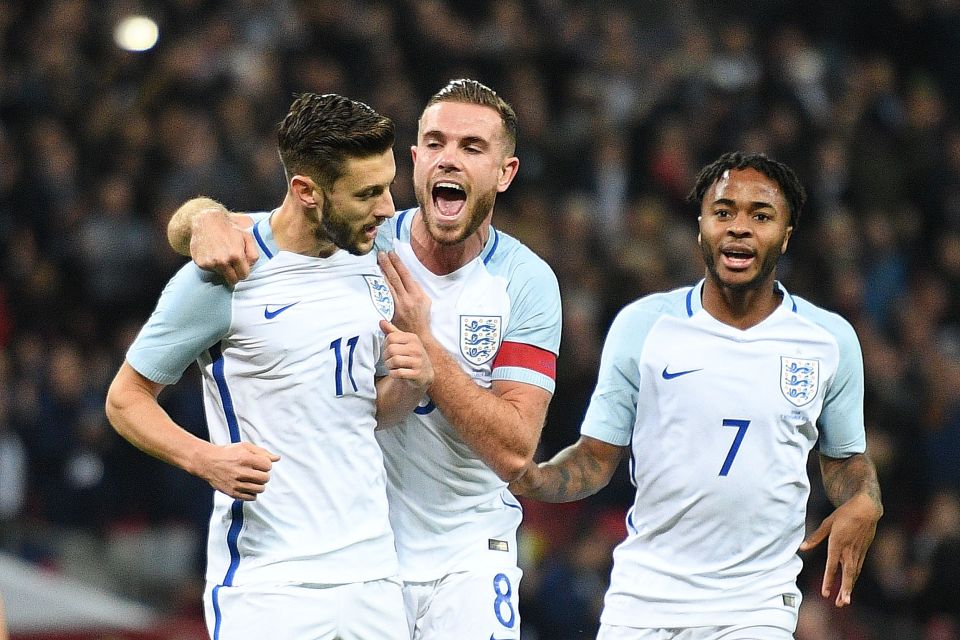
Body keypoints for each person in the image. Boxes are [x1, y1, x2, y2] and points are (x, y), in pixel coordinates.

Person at [167, 79, 562, 640]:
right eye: (436, 142)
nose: (450, 158)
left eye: (472, 147)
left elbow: (517, 450)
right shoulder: (358, 242)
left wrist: (427, 352)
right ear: (415, 159)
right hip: (365, 561)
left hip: (470, 553)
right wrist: (204, 218)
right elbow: (234, 226)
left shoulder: (525, 283)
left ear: (505, 172)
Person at [510, 151, 883, 639]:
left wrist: (865, 498)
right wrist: (534, 479)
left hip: (755, 608)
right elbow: (596, 460)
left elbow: (845, 461)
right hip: (643, 601)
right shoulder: (643, 327)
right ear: (700, 228)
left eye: (761, 215)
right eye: (723, 212)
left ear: (786, 236)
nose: (739, 228)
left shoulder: (828, 340)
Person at [105, 93, 433, 640]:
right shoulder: (226, 273)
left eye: (389, 185)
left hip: (374, 575)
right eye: (368, 193)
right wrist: (203, 458)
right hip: (269, 582)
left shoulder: (377, 259)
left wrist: (411, 380)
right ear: (306, 191)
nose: (387, 207)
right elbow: (124, 399)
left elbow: (365, 415)